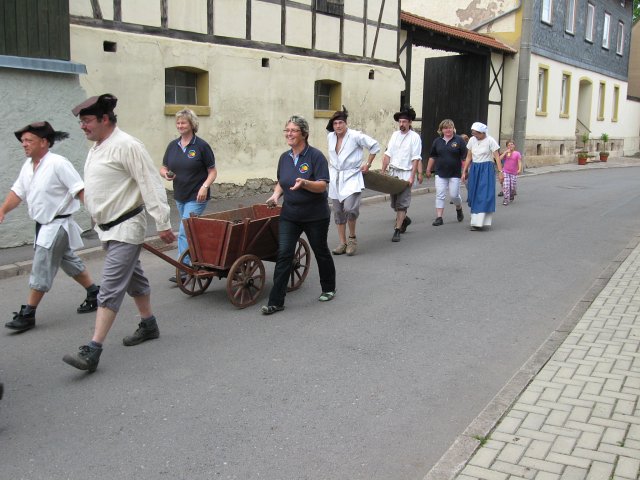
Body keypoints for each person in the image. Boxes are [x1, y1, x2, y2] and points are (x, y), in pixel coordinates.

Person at [63, 94, 176, 373]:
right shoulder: (98, 147)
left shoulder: (127, 145)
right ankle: (148, 324)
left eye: (87, 121)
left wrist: (162, 221)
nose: (83, 126)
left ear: (104, 119)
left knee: (111, 285)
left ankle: (93, 349)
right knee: (133, 277)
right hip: (109, 228)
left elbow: (150, 182)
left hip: (127, 226)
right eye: (81, 121)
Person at [0, 121, 100, 333]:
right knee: (68, 261)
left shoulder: (58, 163)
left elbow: (79, 190)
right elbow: (17, 192)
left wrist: (99, 216)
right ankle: (94, 292)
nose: (24, 144)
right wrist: (2, 210)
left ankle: (28, 313)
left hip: (57, 226)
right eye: (23, 141)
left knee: (41, 266)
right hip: (44, 225)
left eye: (29, 140)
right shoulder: (28, 166)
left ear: (44, 142)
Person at [261, 115, 336, 315]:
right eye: (287, 130)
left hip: (315, 215)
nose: (289, 134)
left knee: (320, 250)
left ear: (304, 133)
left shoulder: (315, 156)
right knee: (284, 254)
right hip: (290, 214)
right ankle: (276, 301)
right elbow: (282, 181)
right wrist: (276, 195)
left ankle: (328, 288)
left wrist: (305, 183)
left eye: (293, 130)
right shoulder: (284, 158)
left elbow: (322, 186)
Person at [160, 109, 217, 282]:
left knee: (184, 231)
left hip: (196, 196)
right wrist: (166, 174)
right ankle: (199, 258)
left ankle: (183, 269)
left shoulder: (201, 146)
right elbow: (163, 167)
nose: (180, 125)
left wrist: (204, 187)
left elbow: (212, 171)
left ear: (192, 124)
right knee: (191, 231)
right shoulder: (173, 146)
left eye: (183, 122)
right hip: (180, 195)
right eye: (178, 123)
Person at [326, 106, 380, 256]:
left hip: (352, 176)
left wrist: (367, 164)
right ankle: (342, 242)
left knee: (349, 208)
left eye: (340, 123)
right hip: (336, 177)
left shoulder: (356, 136)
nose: (338, 126)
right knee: (338, 211)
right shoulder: (330, 136)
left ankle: (352, 238)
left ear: (346, 123)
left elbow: (375, 146)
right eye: (335, 123)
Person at [381, 106, 422, 242]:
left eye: (404, 121)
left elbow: (416, 158)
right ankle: (404, 218)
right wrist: (382, 171)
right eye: (400, 122)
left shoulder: (415, 137)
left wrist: (412, 176)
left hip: (406, 174)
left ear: (410, 122)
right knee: (394, 204)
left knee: (402, 204)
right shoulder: (394, 135)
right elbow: (388, 154)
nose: (401, 124)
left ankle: (397, 230)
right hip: (394, 173)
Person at [425, 119, 467, 226]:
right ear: (441, 130)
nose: (448, 130)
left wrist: (464, 172)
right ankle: (439, 217)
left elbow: (464, 158)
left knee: (454, 195)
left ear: (453, 128)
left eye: (450, 127)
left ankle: (459, 207)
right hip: (440, 172)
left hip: (455, 173)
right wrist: (428, 169)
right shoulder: (437, 141)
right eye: (445, 128)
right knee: (440, 194)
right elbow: (433, 156)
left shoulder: (459, 140)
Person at [461, 122, 502, 230]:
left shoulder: (490, 140)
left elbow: (497, 157)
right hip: (475, 169)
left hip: (486, 169)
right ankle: (476, 220)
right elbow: (469, 157)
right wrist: (464, 171)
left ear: (483, 133)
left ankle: (478, 223)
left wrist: (500, 172)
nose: (475, 136)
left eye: (477, 134)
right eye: (473, 133)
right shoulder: (472, 140)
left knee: (483, 194)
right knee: (474, 193)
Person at [499, 139, 522, 205]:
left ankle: (512, 194)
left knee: (512, 187)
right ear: (507, 146)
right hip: (505, 171)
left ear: (514, 145)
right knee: (506, 186)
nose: (510, 146)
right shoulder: (506, 153)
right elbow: (499, 159)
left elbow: (519, 162)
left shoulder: (517, 153)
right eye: (508, 145)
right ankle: (506, 199)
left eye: (511, 144)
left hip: (513, 173)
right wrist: (505, 153)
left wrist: (519, 169)